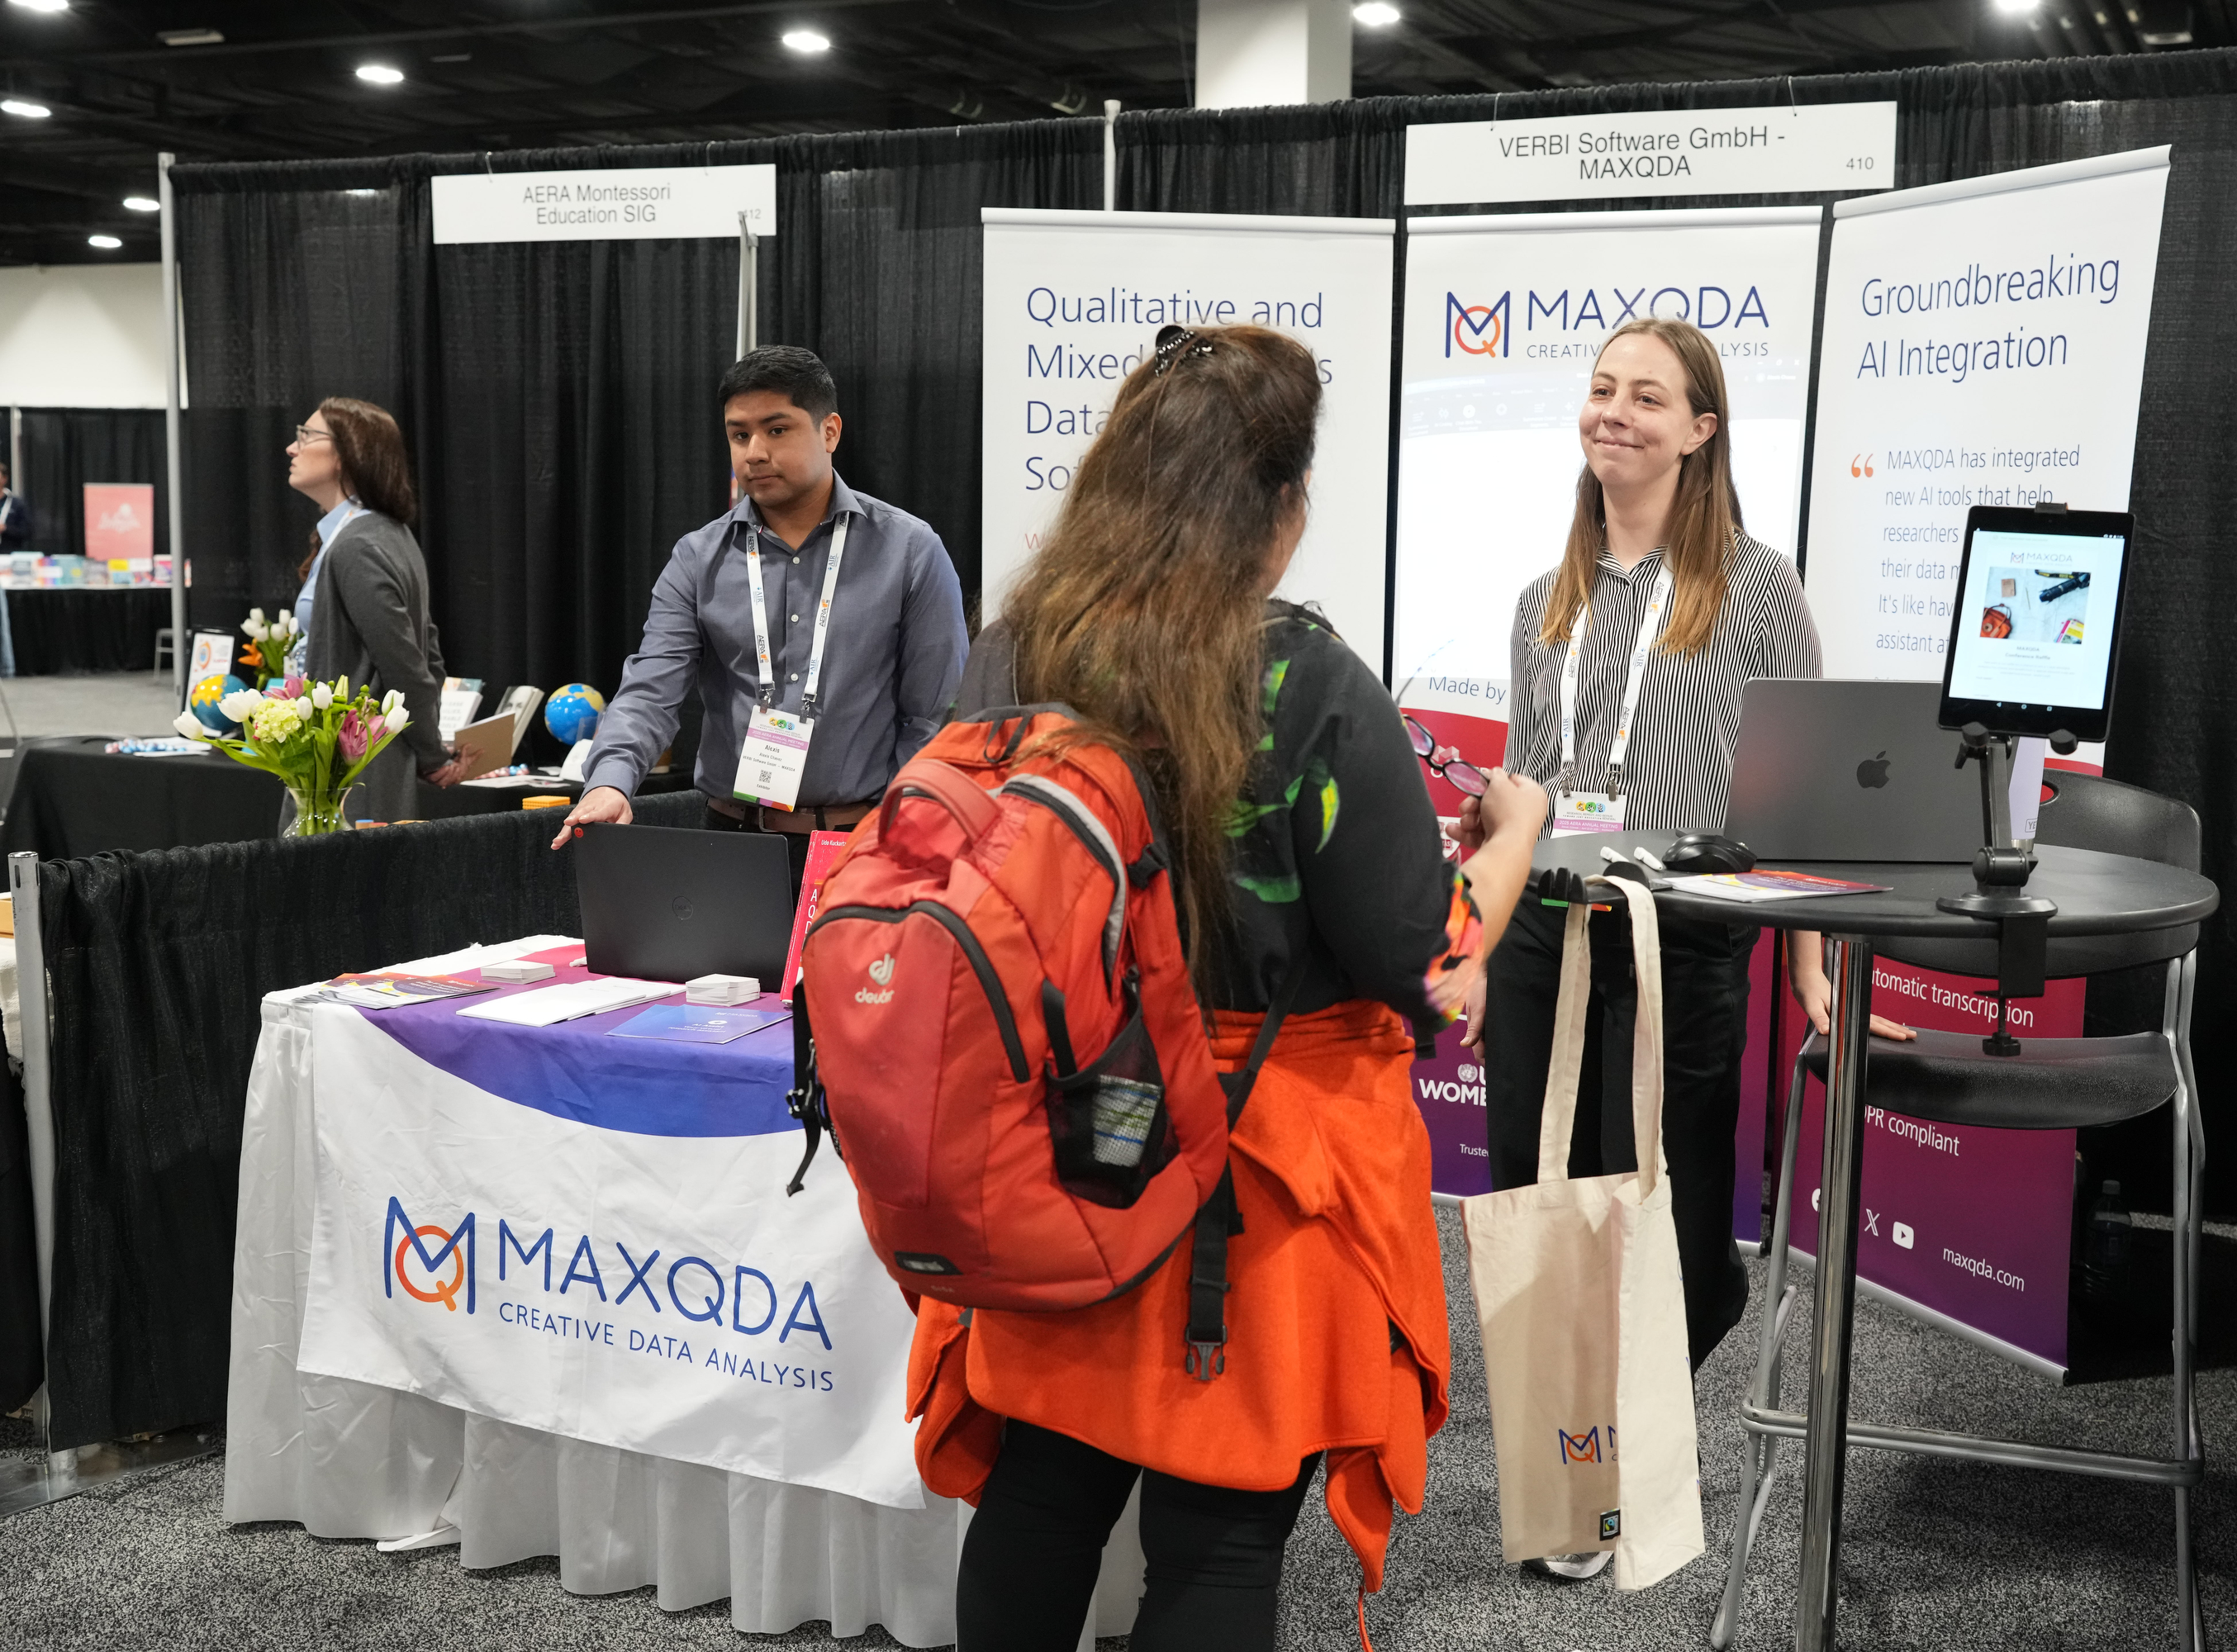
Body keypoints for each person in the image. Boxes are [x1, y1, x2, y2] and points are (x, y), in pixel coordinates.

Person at [914, 324, 1551, 1652]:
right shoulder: (1306, 681)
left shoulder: (1018, 651)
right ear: (1280, 504)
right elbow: (1427, 965)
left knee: (1042, 1488)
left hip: (1061, 1137)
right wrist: (1517, 836)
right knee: (1221, 1529)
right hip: (1260, 1175)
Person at [1465, 317, 1913, 1393]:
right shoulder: (1544, 602)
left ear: (1700, 431)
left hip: (1686, 935)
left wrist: (1810, 966)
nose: (1613, 411)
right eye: (1603, 388)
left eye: (1648, 397)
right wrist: (1476, 950)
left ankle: (1672, 1342)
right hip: (1547, 929)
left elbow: (1804, 797)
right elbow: (1524, 800)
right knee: (1536, 1184)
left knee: (1665, 1191)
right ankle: (1575, 1427)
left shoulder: (1757, 590)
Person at [555, 345, 967, 855]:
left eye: (777, 430)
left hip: (861, 846)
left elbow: (933, 716)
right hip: (733, 843)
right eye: (739, 434)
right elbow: (650, 689)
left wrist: (902, 829)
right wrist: (610, 782)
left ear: (830, 431)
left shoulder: (908, 550)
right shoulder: (698, 558)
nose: (754, 452)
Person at [287, 397, 466, 817]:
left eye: (306, 436)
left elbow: (407, 665)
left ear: (346, 454)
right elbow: (428, 654)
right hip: (355, 758)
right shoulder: (388, 534)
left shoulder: (357, 545)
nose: (292, 448)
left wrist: (430, 754)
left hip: (352, 767)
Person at [0, 462, 32, 550]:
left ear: (5, 479)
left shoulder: (17, 504)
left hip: (9, 554)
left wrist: (6, 529)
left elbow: (27, 532)